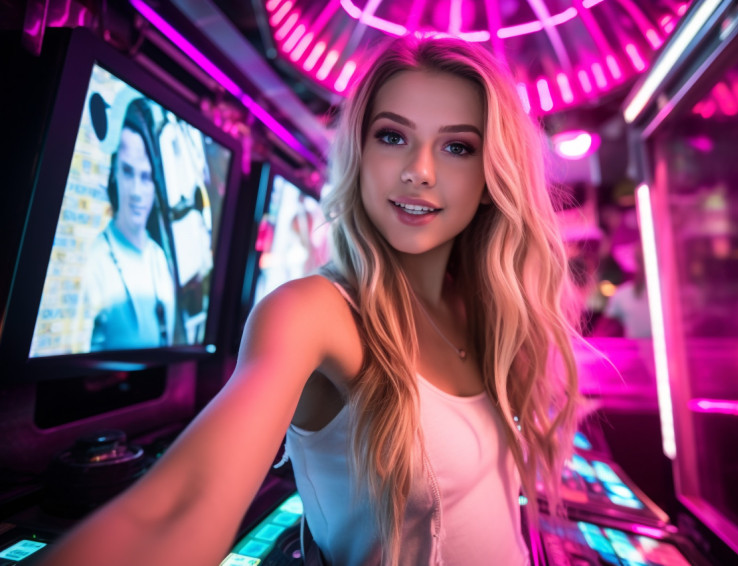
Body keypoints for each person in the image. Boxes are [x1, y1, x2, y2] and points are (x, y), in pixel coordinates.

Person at [41, 35, 581, 566]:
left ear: (491, 178)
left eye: (457, 146)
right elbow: (175, 514)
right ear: (359, 154)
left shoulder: (485, 309)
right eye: (393, 137)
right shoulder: (310, 313)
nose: (420, 170)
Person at [80, 97, 176, 351]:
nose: (136, 191)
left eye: (145, 178)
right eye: (128, 171)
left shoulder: (159, 259)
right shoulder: (95, 258)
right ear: (114, 174)